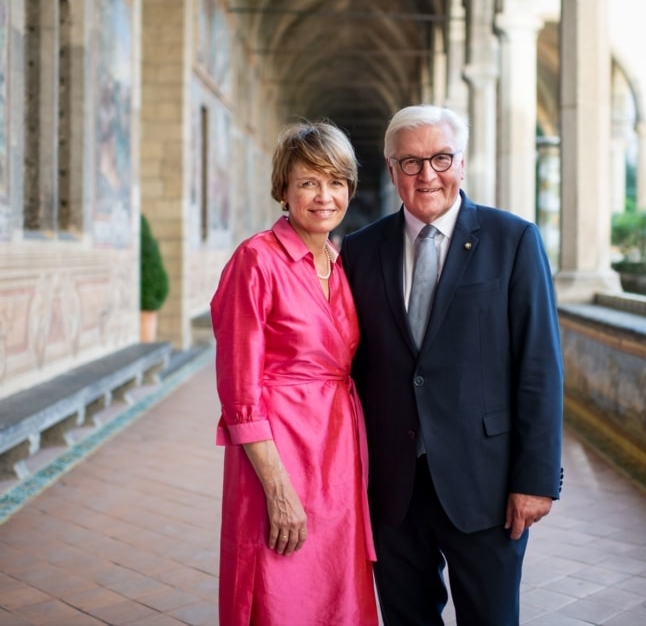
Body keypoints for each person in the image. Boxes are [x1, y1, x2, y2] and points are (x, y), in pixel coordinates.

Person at [341, 104, 564, 626]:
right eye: (411, 162)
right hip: (392, 486)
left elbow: (539, 366)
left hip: (485, 484)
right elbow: (351, 367)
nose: (427, 175)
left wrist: (535, 479)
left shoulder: (513, 240)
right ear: (392, 170)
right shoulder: (359, 250)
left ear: (461, 163)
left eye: (441, 158)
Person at [210, 120, 378, 626]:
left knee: (335, 591)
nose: (324, 196)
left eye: (336, 182)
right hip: (278, 455)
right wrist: (277, 488)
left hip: (337, 455)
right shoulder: (256, 260)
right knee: (277, 590)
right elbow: (239, 392)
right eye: (308, 182)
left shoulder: (341, 264)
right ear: (283, 190)